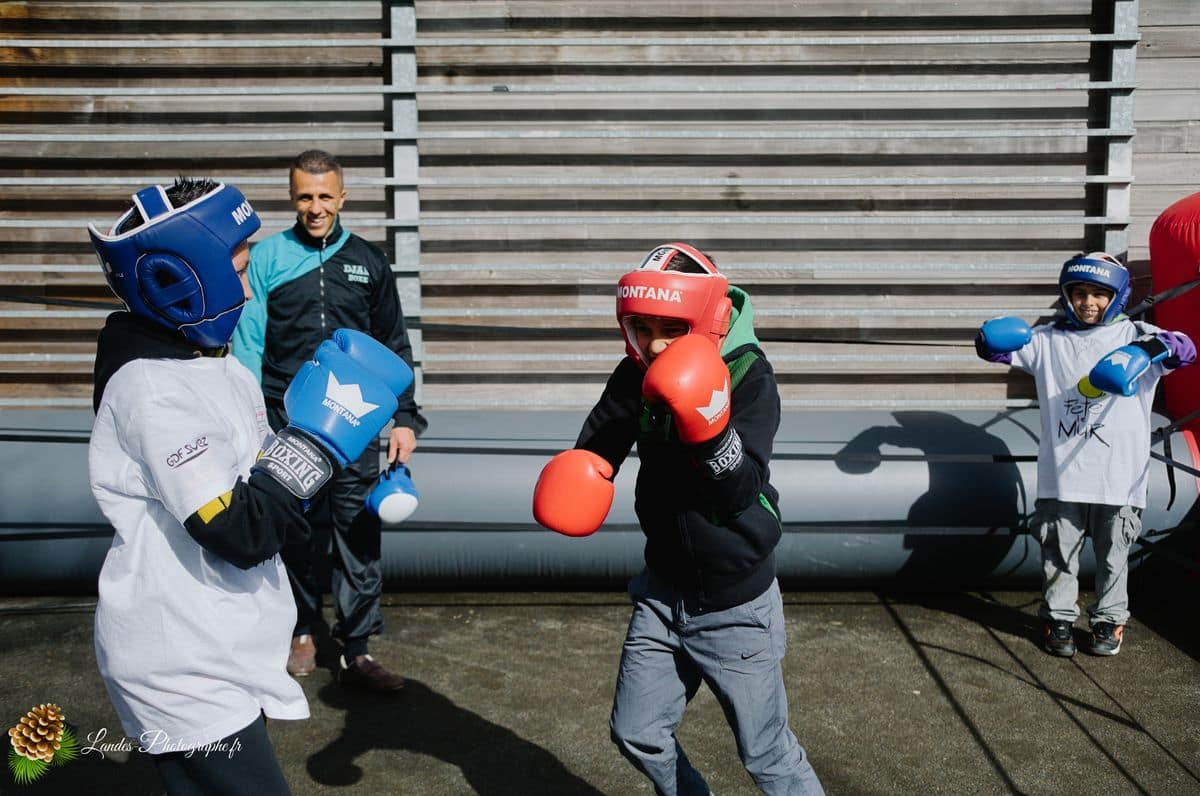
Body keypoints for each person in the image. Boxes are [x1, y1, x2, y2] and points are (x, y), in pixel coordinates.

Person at [87, 178, 412, 794]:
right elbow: (238, 529)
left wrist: (316, 448)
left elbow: (268, 488)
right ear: (178, 279)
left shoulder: (217, 363)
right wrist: (318, 439)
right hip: (181, 661)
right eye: (235, 270)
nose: (244, 287)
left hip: (223, 641)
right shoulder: (150, 390)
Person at [532, 243, 825, 795]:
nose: (656, 342)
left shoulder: (748, 376)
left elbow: (741, 490)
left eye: (671, 327)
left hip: (736, 603)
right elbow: (598, 446)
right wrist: (580, 472)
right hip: (662, 594)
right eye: (642, 327)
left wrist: (709, 424)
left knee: (767, 755)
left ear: (709, 319)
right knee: (636, 732)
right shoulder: (634, 372)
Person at [233, 149, 426, 691]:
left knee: (358, 536)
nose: (315, 208)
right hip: (286, 422)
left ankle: (357, 648)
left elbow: (394, 343)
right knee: (292, 533)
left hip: (358, 424)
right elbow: (248, 344)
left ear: (342, 197)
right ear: (291, 198)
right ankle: (299, 631)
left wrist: (405, 418)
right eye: (304, 197)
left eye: (324, 196)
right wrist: (253, 421)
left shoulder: (369, 260)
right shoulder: (268, 258)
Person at [975, 252, 1196, 657]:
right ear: (1067, 295)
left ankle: (1109, 621)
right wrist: (988, 337)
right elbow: (996, 352)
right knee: (1059, 554)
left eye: (1099, 293)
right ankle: (1058, 618)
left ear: (1118, 296)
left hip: (1119, 476)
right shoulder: (1047, 340)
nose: (1088, 302)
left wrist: (1148, 349)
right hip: (1062, 476)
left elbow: (1186, 350)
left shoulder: (1135, 334)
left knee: (1114, 556)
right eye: (1079, 293)